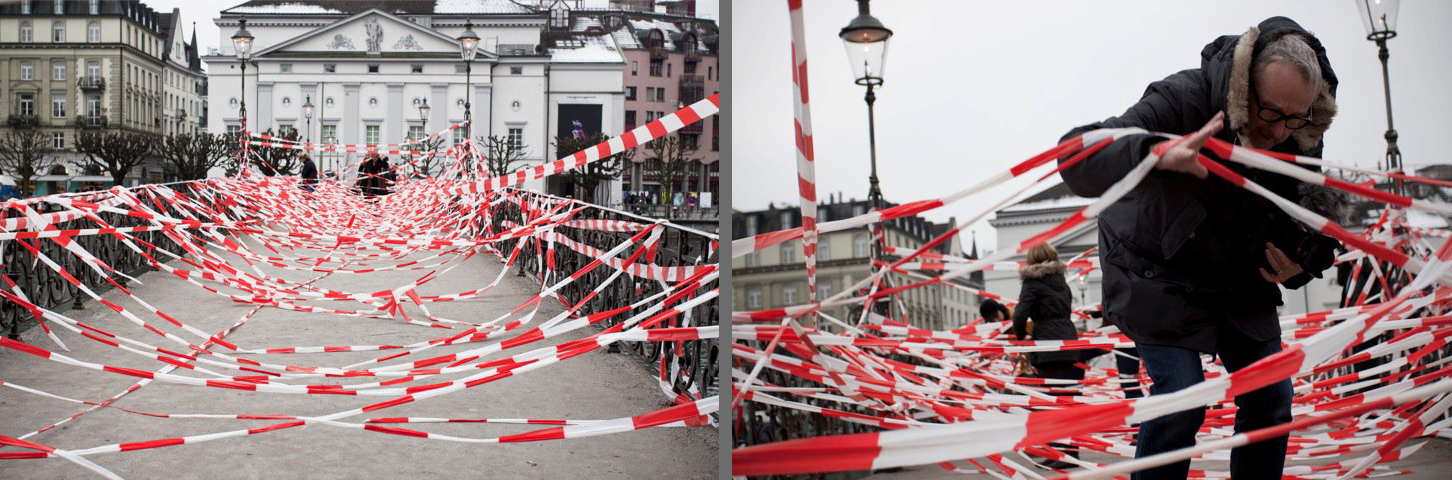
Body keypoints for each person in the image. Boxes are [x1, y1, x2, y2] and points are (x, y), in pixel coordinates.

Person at [1058, 17, 1342, 479]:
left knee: (1272, 395)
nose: (1279, 131)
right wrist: (1153, 153)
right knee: (1182, 398)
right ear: (1244, 83)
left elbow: (1304, 219)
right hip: (1153, 265)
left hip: (1235, 273)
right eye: (1269, 112)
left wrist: (1300, 262)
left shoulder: (1299, 129)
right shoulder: (1181, 97)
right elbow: (1076, 154)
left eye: (1296, 117)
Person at [1011, 243, 1081, 468]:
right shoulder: (1061, 282)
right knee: (1064, 399)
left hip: (1048, 344)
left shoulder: (1033, 282)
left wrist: (1021, 335)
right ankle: (1070, 451)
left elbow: (1020, 313)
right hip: (1068, 341)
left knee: (1050, 401)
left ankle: (1060, 454)